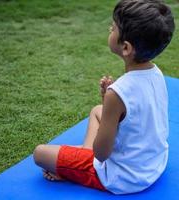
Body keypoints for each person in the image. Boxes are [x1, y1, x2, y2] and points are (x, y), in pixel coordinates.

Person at [33, 0, 175, 194]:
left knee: (40, 154)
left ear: (126, 47)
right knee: (96, 111)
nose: (110, 28)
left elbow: (100, 154)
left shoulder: (116, 93)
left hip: (124, 177)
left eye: (113, 27)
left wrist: (110, 102)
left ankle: (72, 167)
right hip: (153, 164)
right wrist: (108, 106)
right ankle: (78, 156)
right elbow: (136, 112)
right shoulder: (157, 73)